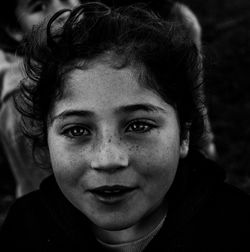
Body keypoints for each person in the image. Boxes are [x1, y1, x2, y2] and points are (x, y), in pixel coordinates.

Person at [1, 2, 250, 251]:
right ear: (46, 143)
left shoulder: (235, 226)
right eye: (77, 130)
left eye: (139, 125)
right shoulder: (25, 230)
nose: (108, 159)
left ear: (184, 134)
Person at [0, 0, 82, 197]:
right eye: (38, 7)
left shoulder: (76, 64)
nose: (62, 12)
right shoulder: (23, 99)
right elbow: (44, 185)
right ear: (15, 29)